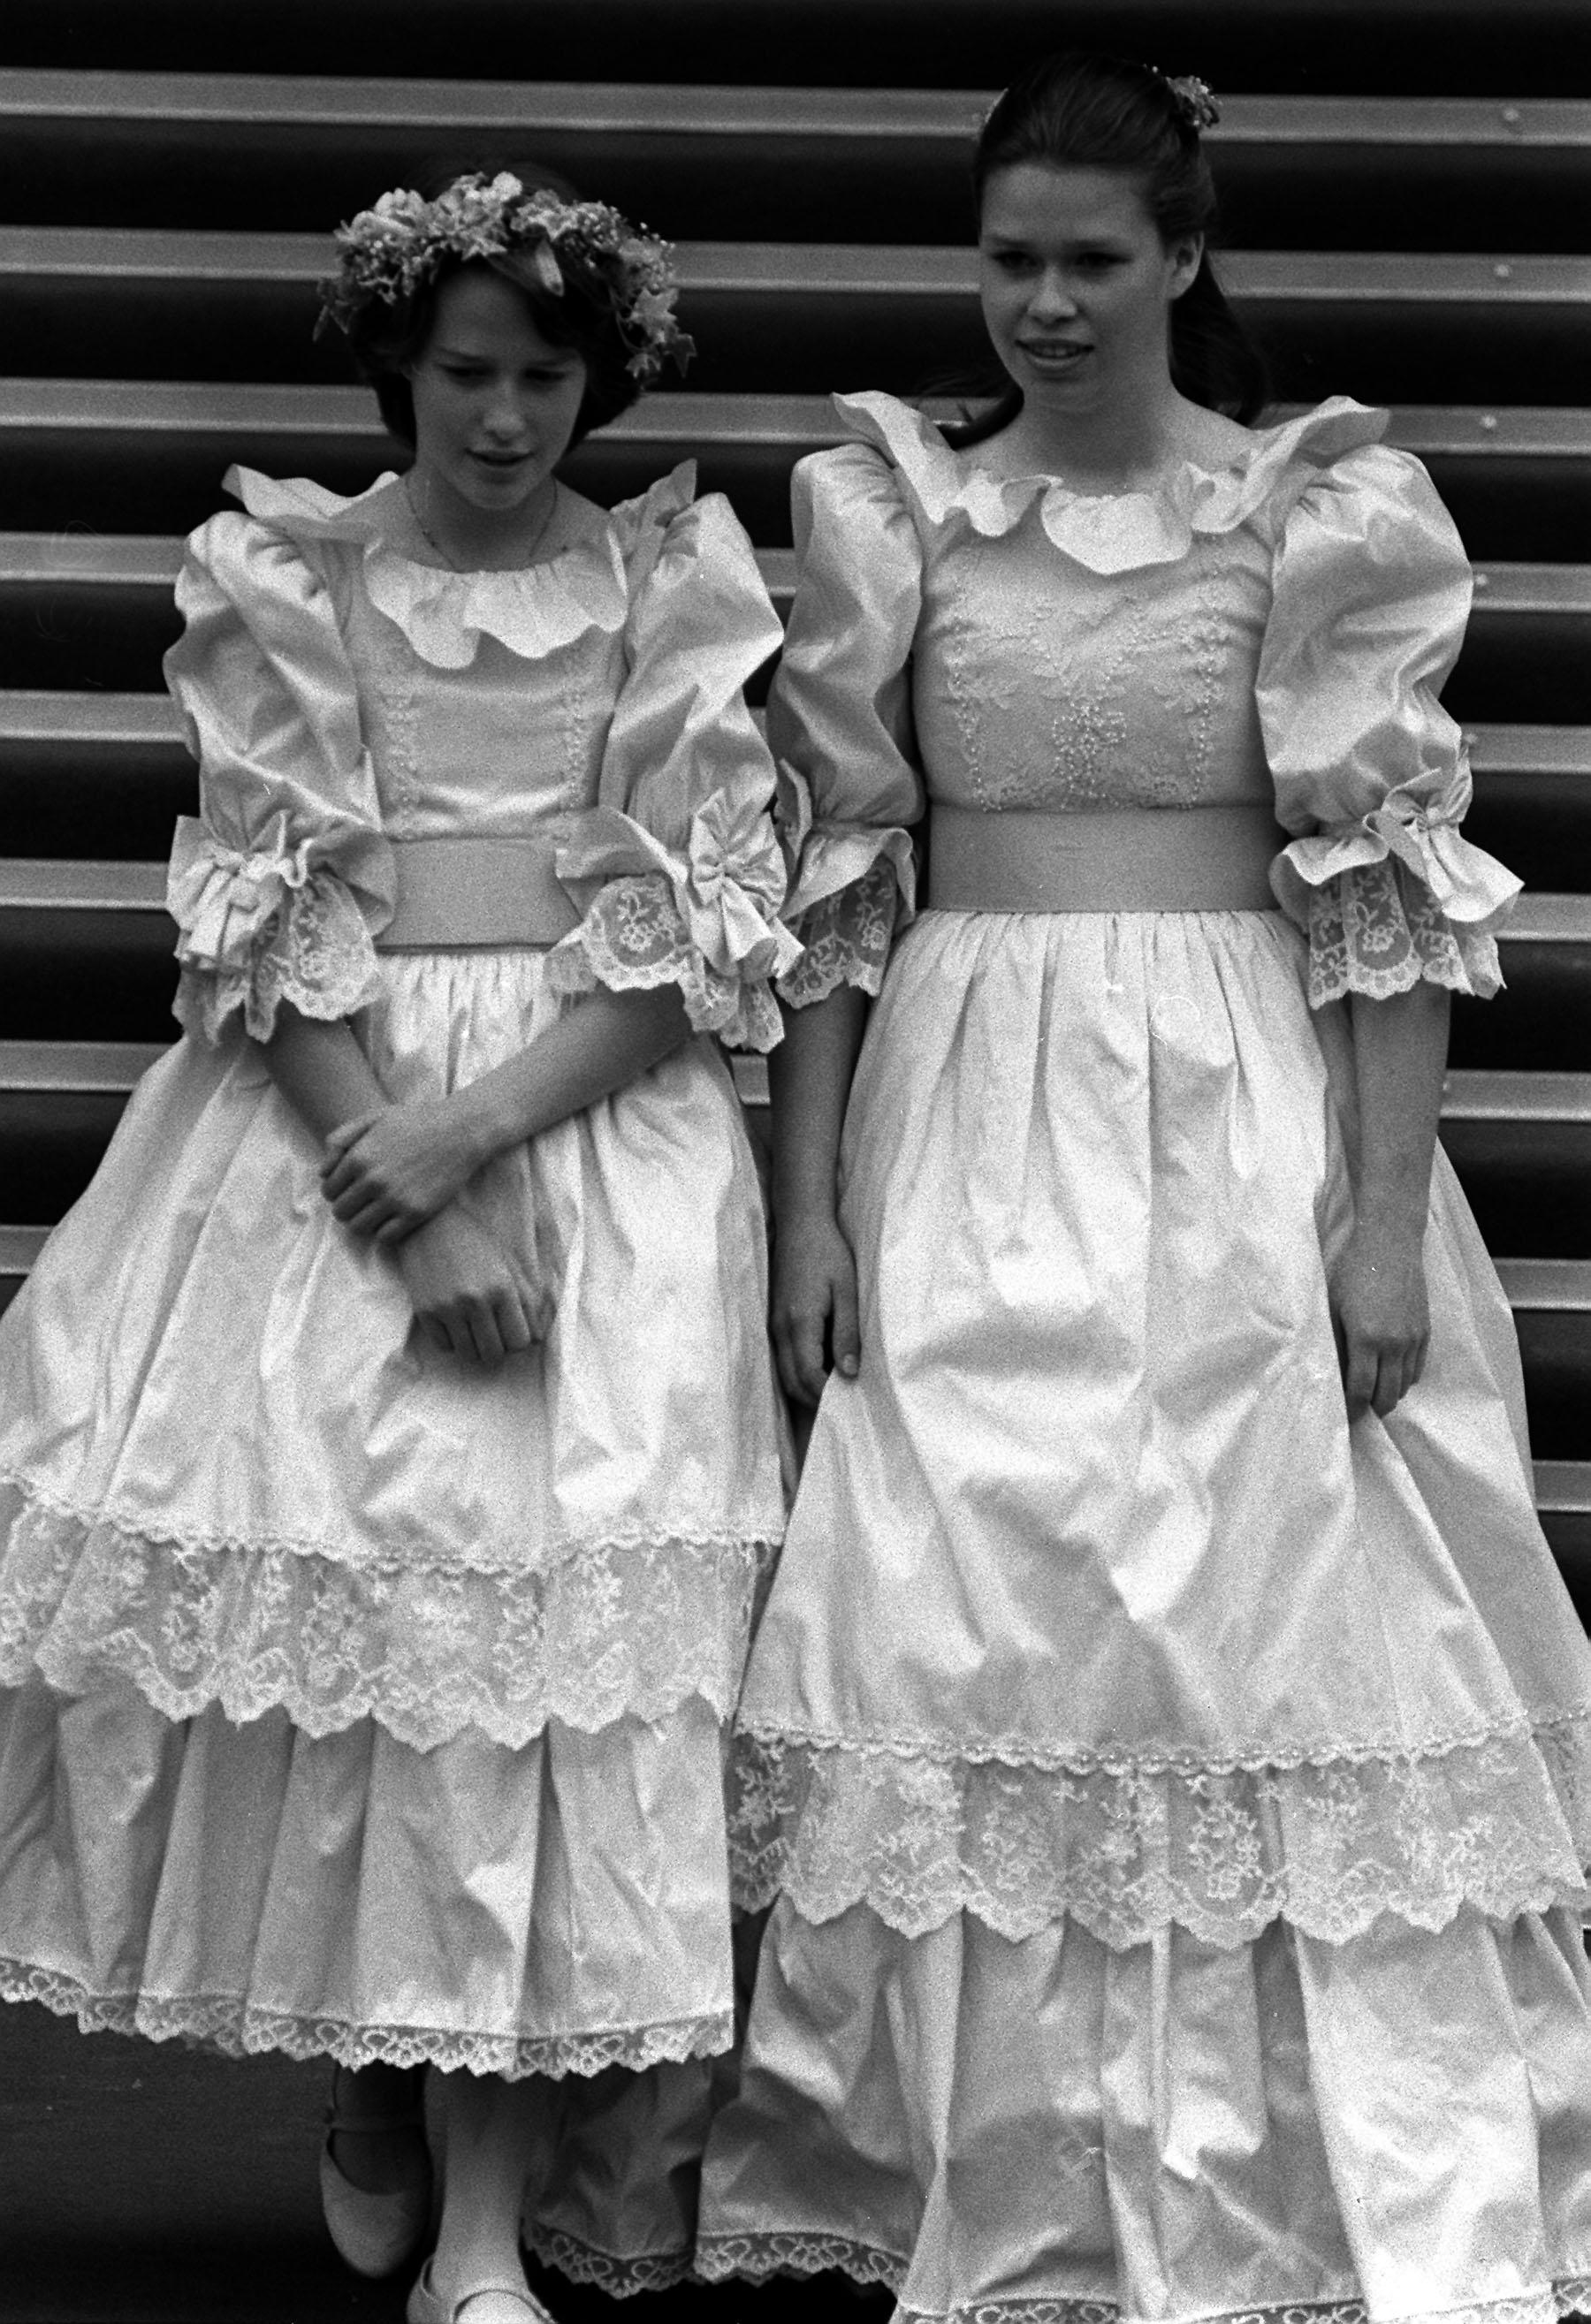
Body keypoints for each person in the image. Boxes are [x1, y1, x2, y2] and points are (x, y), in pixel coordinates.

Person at [696, 53, 1591, 2324]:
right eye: (1012, 260)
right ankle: (968, 2179)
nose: (1048, 305)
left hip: (1233, 1118)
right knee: (954, 1611)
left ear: (1188, 257)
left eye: (1097, 260)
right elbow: (833, 902)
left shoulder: (1311, 517)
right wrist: (805, 1213)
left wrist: (1383, 1223)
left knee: (1249, 1620)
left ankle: (1265, 2183)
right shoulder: (900, 511)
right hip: (970, 1115)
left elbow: (1385, 899)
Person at [0, 169, 795, 2324]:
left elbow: (704, 929)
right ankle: (367, 2064)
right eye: (468, 372)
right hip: (322, 1120)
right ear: (397, 367)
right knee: (377, 1629)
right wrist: (395, 1174)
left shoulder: (670, 582)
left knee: (526, 1663)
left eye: (549, 376)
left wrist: (484, 1133)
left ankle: (475, 2236)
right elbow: (264, 901)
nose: (508, 416)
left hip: (580, 1117)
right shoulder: (296, 572)